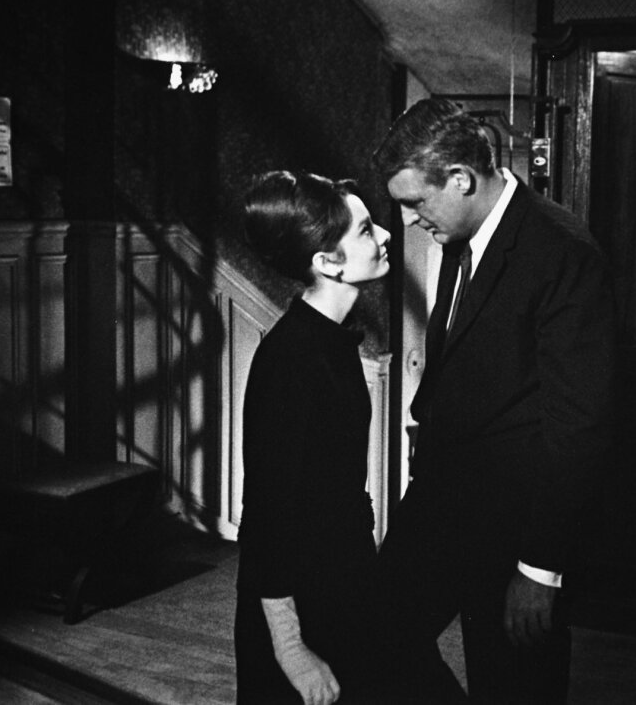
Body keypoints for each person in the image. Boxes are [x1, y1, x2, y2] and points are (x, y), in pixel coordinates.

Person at [372, 99, 616, 704]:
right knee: (374, 638)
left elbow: (578, 426)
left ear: (460, 179)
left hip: (517, 533)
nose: (407, 221)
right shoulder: (458, 233)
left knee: (514, 690)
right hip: (440, 507)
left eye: (415, 202)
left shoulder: (562, 250)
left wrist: (540, 568)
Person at [234, 170, 393, 705]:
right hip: (298, 603)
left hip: (339, 584)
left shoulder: (329, 340)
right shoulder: (292, 359)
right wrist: (290, 646)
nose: (384, 235)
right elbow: (266, 513)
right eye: (366, 229)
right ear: (328, 262)